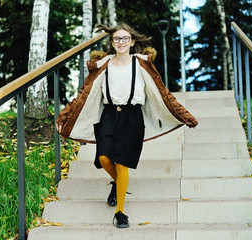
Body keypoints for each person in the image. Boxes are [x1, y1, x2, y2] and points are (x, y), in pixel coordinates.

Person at [55, 23, 198, 228]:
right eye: (116, 39)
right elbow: (82, 94)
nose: (120, 42)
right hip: (109, 115)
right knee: (104, 158)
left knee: (121, 163)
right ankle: (118, 183)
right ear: (112, 43)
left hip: (132, 117)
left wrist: (185, 115)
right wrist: (64, 117)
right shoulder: (103, 65)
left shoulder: (142, 63)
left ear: (132, 42)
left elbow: (163, 93)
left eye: (125, 38)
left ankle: (120, 212)